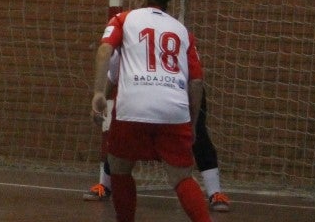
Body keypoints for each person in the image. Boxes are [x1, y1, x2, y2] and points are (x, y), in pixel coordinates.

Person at [89, 0, 230, 222]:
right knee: (181, 176)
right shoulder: (181, 31)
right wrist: (189, 123)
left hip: (134, 105)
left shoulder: (123, 19)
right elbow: (197, 82)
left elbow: (105, 50)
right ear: (168, 1)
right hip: (173, 108)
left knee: (119, 167)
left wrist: (97, 93)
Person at [84, 68, 232, 213]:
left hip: (177, 88)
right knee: (124, 133)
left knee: (198, 134)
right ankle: (106, 184)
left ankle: (215, 192)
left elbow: (196, 77)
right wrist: (101, 96)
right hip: (144, 88)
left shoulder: (184, 43)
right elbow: (112, 69)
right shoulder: (131, 44)